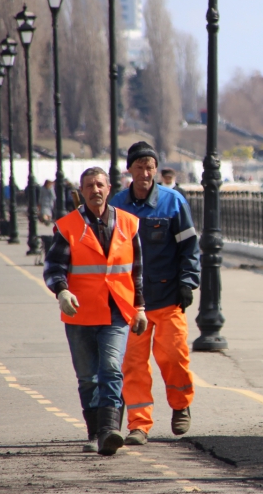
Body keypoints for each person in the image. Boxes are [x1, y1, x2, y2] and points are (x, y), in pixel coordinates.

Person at [43, 167, 147, 456]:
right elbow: (53, 267)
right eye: (89, 185)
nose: (95, 190)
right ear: (82, 190)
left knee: (111, 369)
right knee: (88, 377)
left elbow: (136, 271)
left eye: (100, 184)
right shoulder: (68, 226)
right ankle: (94, 432)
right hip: (80, 313)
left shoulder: (129, 224)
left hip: (117, 310)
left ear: (109, 188)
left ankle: (108, 431)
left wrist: (140, 307)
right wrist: (62, 290)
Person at [111, 142, 201, 445]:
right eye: (139, 167)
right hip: (131, 303)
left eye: (150, 167)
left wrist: (188, 282)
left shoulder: (173, 202)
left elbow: (190, 247)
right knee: (133, 365)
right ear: (130, 170)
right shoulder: (118, 205)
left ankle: (180, 406)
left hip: (167, 297)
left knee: (174, 357)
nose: (145, 173)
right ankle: (139, 424)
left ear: (155, 169)